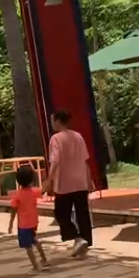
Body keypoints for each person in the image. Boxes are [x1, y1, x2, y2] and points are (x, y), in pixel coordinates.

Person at [45, 109, 93, 259]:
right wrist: (89, 179)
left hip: (64, 183)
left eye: (52, 120)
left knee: (61, 213)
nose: (52, 124)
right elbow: (85, 161)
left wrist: (49, 179)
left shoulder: (56, 139)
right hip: (80, 181)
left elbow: (55, 160)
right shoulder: (78, 136)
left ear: (58, 121)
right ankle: (84, 243)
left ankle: (77, 238)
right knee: (82, 214)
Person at [8, 165, 49, 272]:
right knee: (35, 240)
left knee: (28, 247)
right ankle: (44, 260)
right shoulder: (34, 191)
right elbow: (43, 190)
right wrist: (49, 179)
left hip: (23, 225)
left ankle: (36, 267)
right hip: (33, 222)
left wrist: (10, 224)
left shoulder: (17, 195)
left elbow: (13, 210)